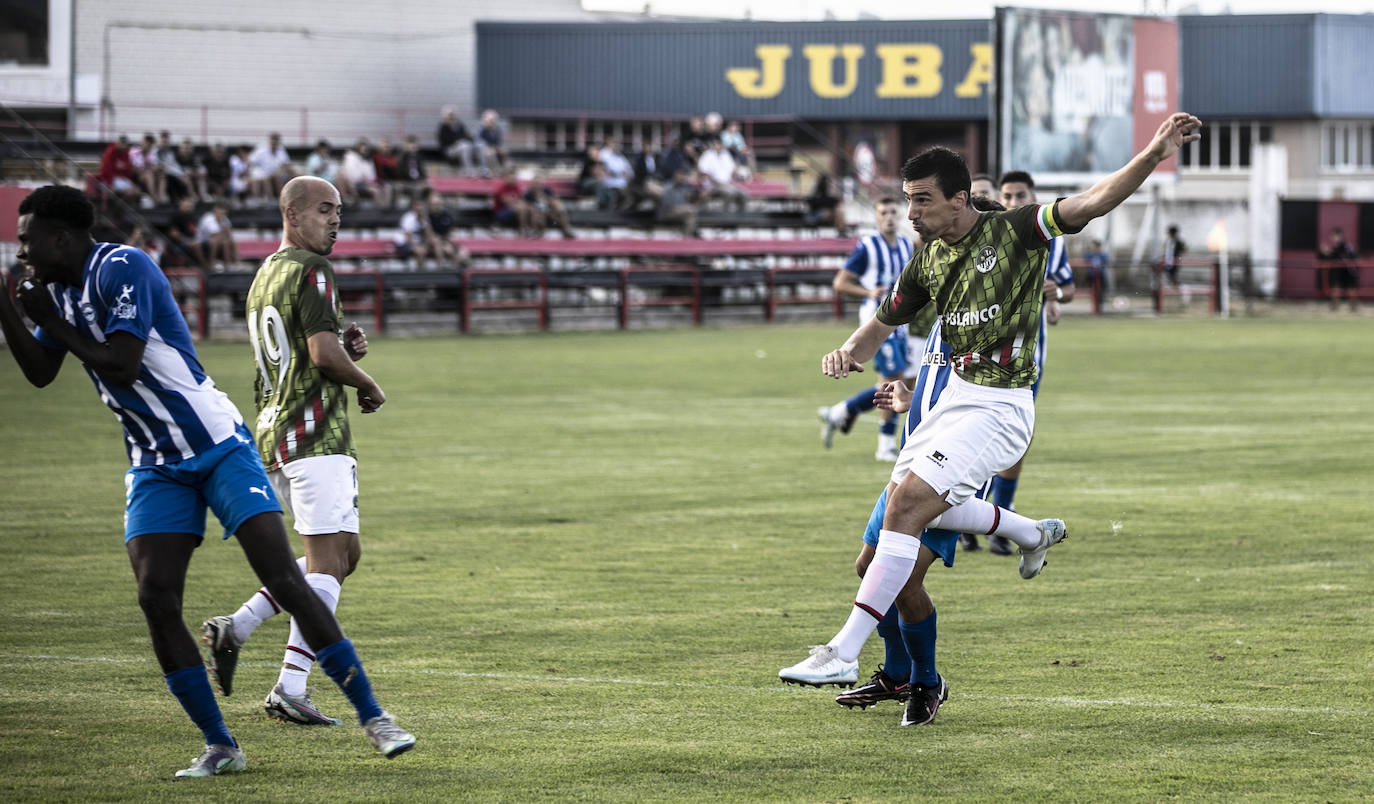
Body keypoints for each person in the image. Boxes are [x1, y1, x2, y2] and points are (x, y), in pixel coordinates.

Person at [780, 113, 1202, 727]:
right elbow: (883, 321)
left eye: (922, 202)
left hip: (1001, 406)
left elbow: (1093, 201)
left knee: (904, 518)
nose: (913, 213)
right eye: (907, 202)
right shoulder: (926, 263)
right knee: (883, 554)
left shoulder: (1018, 231)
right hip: (948, 407)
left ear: (958, 198)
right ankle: (1026, 535)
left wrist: (1154, 152)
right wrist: (850, 352)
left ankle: (845, 650)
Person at [0, 185, 415, 777]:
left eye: (26, 241)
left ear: (59, 238)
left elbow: (122, 361)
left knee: (290, 573)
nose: (21, 253)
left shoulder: (122, 267)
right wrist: (10, 308)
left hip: (218, 444)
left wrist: (44, 318)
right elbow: (40, 373)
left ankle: (374, 717)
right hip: (154, 459)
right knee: (156, 596)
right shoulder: (59, 296)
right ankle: (221, 745)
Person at [196, 175, 396, 732]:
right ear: (292, 214)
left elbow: (307, 348)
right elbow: (323, 356)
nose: (336, 220)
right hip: (315, 436)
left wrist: (341, 347)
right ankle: (290, 687)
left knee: (341, 556)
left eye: (339, 212)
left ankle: (234, 628)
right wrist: (364, 379)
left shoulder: (266, 274)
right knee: (329, 564)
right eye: (325, 210)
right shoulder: (313, 269)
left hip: (275, 433)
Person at [982, 170, 1076, 554]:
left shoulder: (1049, 236)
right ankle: (979, 516)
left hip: (1028, 357)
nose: (1013, 201)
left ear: (1032, 195)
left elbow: (1068, 287)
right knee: (980, 435)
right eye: (1007, 195)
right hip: (983, 354)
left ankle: (995, 516)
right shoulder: (987, 237)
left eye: (1020, 194)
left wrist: (1057, 295)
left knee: (1018, 439)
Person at [817, 197, 915, 461]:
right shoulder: (868, 246)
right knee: (892, 379)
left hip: (901, 323)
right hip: (876, 323)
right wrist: (868, 291)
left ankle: (840, 412)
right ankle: (885, 445)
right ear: (876, 217)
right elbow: (840, 283)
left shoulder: (907, 245)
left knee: (906, 382)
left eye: (894, 211)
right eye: (884, 212)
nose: (890, 217)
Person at [1318, 227, 1359, 311]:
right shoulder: (1336, 246)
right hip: (1338, 271)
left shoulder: (1344, 245)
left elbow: (1339, 255)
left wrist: (1326, 252)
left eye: (1334, 236)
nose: (1332, 238)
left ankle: (1353, 308)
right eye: (1332, 236)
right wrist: (1326, 253)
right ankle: (1334, 308)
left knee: (1351, 291)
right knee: (1335, 289)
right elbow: (1331, 257)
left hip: (1348, 271)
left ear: (1340, 236)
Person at [437, 107, 481, 175]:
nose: (451, 116)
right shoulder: (443, 127)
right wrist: (457, 141)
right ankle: (469, 170)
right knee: (465, 146)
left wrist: (470, 138)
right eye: (449, 114)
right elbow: (444, 140)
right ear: (445, 116)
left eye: (452, 114)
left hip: (462, 146)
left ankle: (483, 169)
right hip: (450, 149)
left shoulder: (459, 125)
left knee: (478, 145)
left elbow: (466, 135)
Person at [1083, 238, 1112, 307]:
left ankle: (1100, 304)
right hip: (1091, 275)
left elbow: (1107, 261)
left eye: (1095, 246)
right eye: (1093, 246)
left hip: (1100, 275)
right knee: (1093, 290)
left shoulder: (1103, 255)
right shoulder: (1089, 255)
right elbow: (1085, 260)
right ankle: (1094, 304)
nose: (1093, 248)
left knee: (1102, 290)